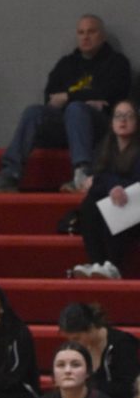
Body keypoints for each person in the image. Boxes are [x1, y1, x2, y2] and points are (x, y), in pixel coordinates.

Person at [0, 14, 131, 195]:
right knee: (34, 112)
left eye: (91, 32)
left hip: (100, 127)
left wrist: (69, 97)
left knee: (76, 109)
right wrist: (85, 98)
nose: (85, 37)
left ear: (103, 36)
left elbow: (110, 95)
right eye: (81, 32)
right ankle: (10, 174)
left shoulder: (117, 63)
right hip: (67, 125)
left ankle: (83, 173)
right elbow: (50, 99)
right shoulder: (66, 64)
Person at [71, 99, 140, 281]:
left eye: (128, 116)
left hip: (134, 210)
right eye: (118, 116)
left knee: (118, 202)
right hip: (112, 203)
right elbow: (96, 181)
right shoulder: (104, 147)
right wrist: (112, 186)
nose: (123, 121)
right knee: (90, 203)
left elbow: (135, 182)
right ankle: (97, 263)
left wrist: (112, 185)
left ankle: (112, 265)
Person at [57, 302, 139, 398]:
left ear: (91, 328)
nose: (73, 343)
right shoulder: (78, 349)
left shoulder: (122, 344)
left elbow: (129, 388)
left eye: (77, 338)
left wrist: (87, 388)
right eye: (69, 339)